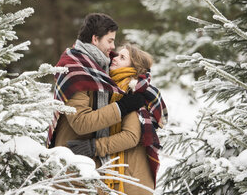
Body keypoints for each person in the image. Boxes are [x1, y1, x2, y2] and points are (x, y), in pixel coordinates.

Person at [47, 13, 146, 169]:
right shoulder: (76, 72)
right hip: (71, 161)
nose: (113, 47)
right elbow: (81, 122)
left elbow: (135, 63)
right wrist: (122, 107)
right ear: (95, 39)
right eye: (110, 41)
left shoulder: (98, 67)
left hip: (86, 162)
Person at [67, 44, 168, 194]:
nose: (114, 59)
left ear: (135, 67)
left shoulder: (131, 90)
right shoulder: (112, 87)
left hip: (130, 179)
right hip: (122, 175)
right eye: (116, 55)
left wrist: (94, 147)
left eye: (122, 57)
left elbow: (131, 136)